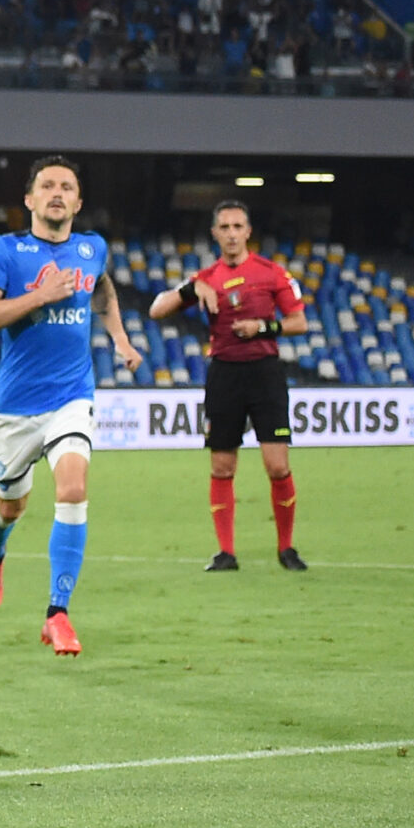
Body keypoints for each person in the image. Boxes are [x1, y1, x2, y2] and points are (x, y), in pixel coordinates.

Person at [0, 156, 141, 655]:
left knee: (73, 487)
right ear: (29, 199)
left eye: (67, 186)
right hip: (17, 407)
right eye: (47, 186)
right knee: (10, 506)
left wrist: (120, 339)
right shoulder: (6, 250)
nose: (57, 193)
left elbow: (101, 286)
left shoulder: (92, 248)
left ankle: (57, 613)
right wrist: (40, 296)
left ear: (78, 202)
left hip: (72, 396)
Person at [148, 199, 309, 571]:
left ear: (248, 232)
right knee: (222, 466)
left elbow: (299, 322)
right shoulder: (206, 278)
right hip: (224, 375)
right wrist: (192, 289)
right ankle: (226, 553)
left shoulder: (272, 273)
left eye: (238, 227)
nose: (232, 234)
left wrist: (262, 327)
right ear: (215, 234)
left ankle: (286, 548)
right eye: (225, 228)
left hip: (265, 374)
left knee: (277, 466)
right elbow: (156, 310)